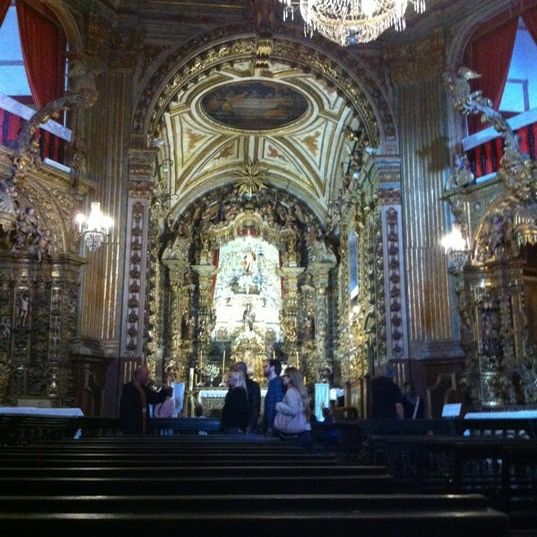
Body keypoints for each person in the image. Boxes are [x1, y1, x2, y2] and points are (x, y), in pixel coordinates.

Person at [119, 365, 168, 434]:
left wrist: (165, 390)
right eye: (146, 375)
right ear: (139, 375)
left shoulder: (145, 389)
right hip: (132, 427)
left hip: (143, 425)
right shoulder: (128, 389)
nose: (147, 377)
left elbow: (154, 399)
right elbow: (126, 409)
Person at [274, 367, 311, 439]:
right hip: (303, 429)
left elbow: (294, 411)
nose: (283, 378)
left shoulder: (291, 392)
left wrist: (279, 405)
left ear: (291, 378)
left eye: (284, 376)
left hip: (295, 430)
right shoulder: (299, 391)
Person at [232, 361, 261, 434]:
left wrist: (250, 426)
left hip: (248, 423)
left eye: (235, 371)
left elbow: (255, 408)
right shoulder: (233, 385)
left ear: (242, 371)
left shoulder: (253, 386)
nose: (233, 373)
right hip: (234, 425)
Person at [263, 358, 285, 435]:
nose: (263, 368)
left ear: (272, 368)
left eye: (266, 366)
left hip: (273, 426)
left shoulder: (277, 384)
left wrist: (270, 426)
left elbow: (274, 405)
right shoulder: (274, 383)